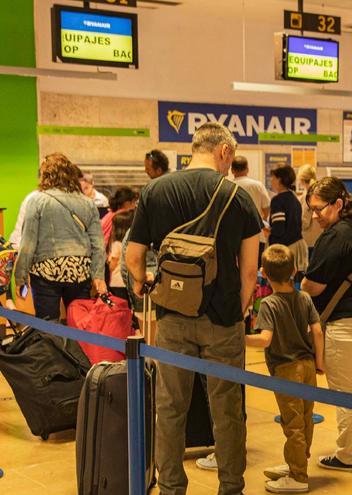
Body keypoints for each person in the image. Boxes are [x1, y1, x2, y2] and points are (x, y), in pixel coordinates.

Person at [126, 122, 261, 495]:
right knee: (228, 411)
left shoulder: (155, 190)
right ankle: (231, 487)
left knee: (169, 409)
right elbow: (249, 269)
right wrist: (238, 306)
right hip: (223, 321)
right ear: (224, 152)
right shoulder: (239, 197)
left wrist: (145, 286)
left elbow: (134, 256)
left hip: (172, 318)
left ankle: (171, 487)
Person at [301, 177, 352, 472]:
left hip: (347, 323)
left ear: (337, 204)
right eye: (311, 210)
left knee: (345, 393)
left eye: (319, 209)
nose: (314, 216)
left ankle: (347, 456)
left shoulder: (335, 236)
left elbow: (313, 286)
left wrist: (300, 284)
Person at [246, 244, 324, 493]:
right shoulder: (304, 297)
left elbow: (265, 339)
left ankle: (299, 476)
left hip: (286, 369)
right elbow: (318, 331)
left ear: (264, 274)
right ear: (295, 270)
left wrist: (241, 338)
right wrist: (320, 362)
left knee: (292, 424)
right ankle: (297, 463)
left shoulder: (269, 304)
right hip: (308, 364)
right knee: (305, 417)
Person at [14, 153, 107, 320]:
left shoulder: (37, 201)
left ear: (45, 175)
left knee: (47, 326)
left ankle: (51, 346)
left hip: (46, 271)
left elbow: (28, 243)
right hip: (79, 271)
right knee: (79, 324)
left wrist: (20, 277)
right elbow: (98, 245)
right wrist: (98, 275)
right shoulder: (87, 203)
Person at [230, 156, 271, 262]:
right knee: (255, 269)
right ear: (247, 169)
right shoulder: (258, 185)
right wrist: (261, 219)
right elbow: (266, 208)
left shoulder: (228, 186)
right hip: (257, 235)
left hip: (234, 235)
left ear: (232, 170)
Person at [269, 165, 308, 274]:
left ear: (279, 179)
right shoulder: (294, 198)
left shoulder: (278, 200)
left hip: (286, 250)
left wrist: (272, 248)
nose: (271, 181)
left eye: (273, 178)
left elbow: (279, 229)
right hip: (298, 246)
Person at [107, 209, 134, 301]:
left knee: (119, 306)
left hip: (117, 282)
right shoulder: (128, 244)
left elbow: (112, 265)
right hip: (127, 281)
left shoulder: (116, 244)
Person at [295, 164, 322, 248]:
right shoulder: (321, 193)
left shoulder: (306, 197)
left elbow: (305, 223)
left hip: (309, 242)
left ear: (301, 180)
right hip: (320, 239)